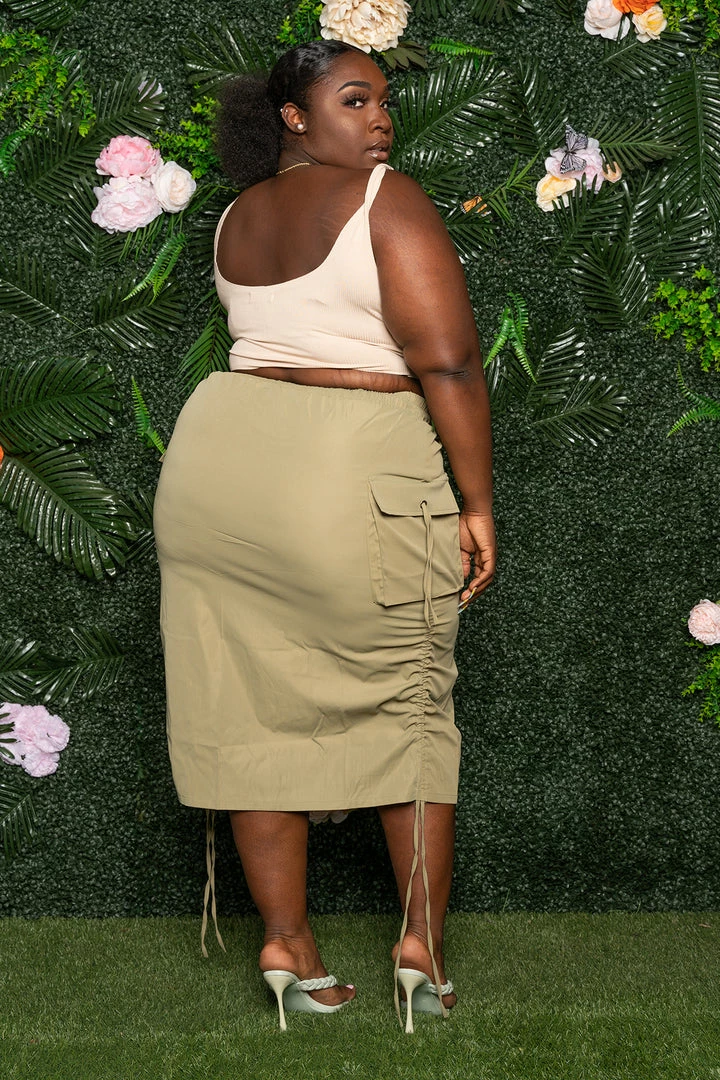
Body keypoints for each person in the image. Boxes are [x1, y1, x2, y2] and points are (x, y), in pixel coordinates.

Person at [153, 39, 495, 1033]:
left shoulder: (236, 217)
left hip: (219, 465)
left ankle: (287, 947)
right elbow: (449, 362)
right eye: (355, 99)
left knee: (248, 709)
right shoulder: (387, 198)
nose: (380, 118)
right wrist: (476, 503)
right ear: (294, 117)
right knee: (409, 705)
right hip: (348, 461)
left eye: (383, 101)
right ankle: (420, 951)